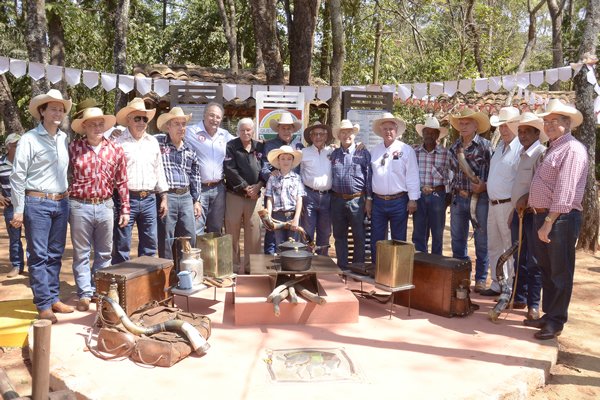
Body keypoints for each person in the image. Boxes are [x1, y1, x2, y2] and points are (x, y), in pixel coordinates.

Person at [526, 99, 589, 340]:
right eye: (546, 121)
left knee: (560, 272)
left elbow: (565, 191)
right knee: (547, 269)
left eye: (554, 121)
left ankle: (556, 321)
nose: (549, 125)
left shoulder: (571, 149)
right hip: (544, 216)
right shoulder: (554, 147)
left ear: (567, 123)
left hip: (559, 218)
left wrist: (549, 221)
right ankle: (549, 314)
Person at [10, 89, 73, 323]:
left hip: (61, 202)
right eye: (53, 109)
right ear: (42, 111)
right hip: (36, 202)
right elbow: (18, 176)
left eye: (61, 109)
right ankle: (44, 304)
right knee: (38, 255)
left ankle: (53, 298)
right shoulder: (29, 139)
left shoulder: (63, 138)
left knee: (55, 254)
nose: (58, 113)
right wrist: (18, 209)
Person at [69, 107, 129, 311]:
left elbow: (122, 181)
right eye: (92, 124)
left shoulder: (115, 149)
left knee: (104, 253)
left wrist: (125, 209)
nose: (97, 128)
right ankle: (85, 293)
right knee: (81, 253)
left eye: (100, 124)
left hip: (105, 205)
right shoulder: (73, 148)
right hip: (80, 205)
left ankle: (99, 290)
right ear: (84, 127)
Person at [112, 97, 169, 264]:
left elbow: (159, 170)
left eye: (145, 119)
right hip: (125, 199)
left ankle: (146, 279)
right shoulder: (117, 142)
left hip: (149, 199)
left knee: (150, 245)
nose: (142, 122)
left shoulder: (153, 142)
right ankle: (120, 279)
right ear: (128, 119)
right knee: (122, 244)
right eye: (137, 118)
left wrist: (164, 196)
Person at [507, 112, 547, 321]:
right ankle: (519, 297)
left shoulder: (541, 153)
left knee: (533, 260)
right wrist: (513, 210)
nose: (522, 135)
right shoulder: (522, 153)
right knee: (519, 257)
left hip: (533, 214)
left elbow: (542, 185)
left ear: (537, 133)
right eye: (520, 131)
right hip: (519, 213)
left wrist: (527, 199)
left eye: (527, 131)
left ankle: (533, 304)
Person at [479, 106, 522, 297]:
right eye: (502, 126)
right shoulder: (499, 149)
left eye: (508, 125)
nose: (504, 129)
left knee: (508, 246)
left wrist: (514, 207)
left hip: (508, 205)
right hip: (492, 204)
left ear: (516, 126)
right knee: (494, 245)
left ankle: (509, 287)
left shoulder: (520, 149)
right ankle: (497, 283)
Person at [448, 109, 492, 293]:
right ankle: (462, 277)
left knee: (481, 240)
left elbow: (492, 175)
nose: (463, 126)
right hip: (458, 198)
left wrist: (484, 186)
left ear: (476, 126)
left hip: (480, 200)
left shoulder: (485, 146)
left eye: (467, 123)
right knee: (457, 240)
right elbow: (451, 173)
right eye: (461, 123)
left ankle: (481, 279)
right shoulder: (454, 148)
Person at [370, 112, 420, 262]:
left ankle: (398, 270)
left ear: (396, 130)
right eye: (385, 129)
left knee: (399, 239)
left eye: (391, 129)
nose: (388, 132)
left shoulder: (406, 150)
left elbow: (412, 175)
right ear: (381, 131)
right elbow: (369, 176)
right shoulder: (374, 151)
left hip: (399, 201)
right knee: (377, 238)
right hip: (378, 202)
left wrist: (413, 199)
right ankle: (377, 267)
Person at [155, 107, 202, 260]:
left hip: (186, 196)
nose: (181, 128)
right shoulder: (157, 143)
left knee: (190, 235)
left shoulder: (190, 148)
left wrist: (197, 200)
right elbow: (140, 137)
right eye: (177, 124)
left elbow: (195, 175)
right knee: (166, 238)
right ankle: (168, 272)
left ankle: (187, 269)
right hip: (167, 196)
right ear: (168, 126)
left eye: (183, 124)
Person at [185, 102, 234, 235]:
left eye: (218, 117)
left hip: (219, 189)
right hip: (198, 189)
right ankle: (196, 250)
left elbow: (242, 141)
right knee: (196, 228)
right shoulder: (190, 132)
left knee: (216, 228)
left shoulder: (225, 135)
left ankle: (212, 250)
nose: (214, 119)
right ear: (204, 115)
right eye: (211, 115)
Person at [224, 118, 265, 274]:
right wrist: (245, 187)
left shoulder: (260, 146)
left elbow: (265, 168)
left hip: (255, 196)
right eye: (242, 130)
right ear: (238, 131)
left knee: (254, 232)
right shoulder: (231, 146)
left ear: (253, 131)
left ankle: (252, 268)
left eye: (248, 130)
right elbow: (229, 169)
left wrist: (258, 186)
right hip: (234, 195)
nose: (246, 132)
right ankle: (233, 268)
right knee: (232, 231)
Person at [330, 120, 372, 270]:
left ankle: (357, 268)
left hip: (357, 200)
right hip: (337, 200)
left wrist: (369, 199)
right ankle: (342, 267)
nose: (346, 135)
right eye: (343, 132)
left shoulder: (363, 153)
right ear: (339, 135)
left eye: (349, 132)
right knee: (339, 236)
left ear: (354, 135)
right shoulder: (334, 154)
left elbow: (369, 178)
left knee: (359, 235)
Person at [260, 112, 303, 254]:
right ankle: (269, 260)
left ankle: (291, 261)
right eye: (283, 128)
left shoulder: (299, 145)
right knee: (272, 234)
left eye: (289, 128)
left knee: (293, 237)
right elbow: (264, 168)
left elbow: (303, 167)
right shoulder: (270, 145)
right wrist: (271, 175)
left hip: (293, 197)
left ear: (293, 130)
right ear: (278, 129)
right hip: (275, 194)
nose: (286, 131)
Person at [412, 115, 450, 255]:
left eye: (433, 132)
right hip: (419, 196)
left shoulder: (445, 154)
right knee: (419, 233)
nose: (429, 135)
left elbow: (450, 177)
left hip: (437, 196)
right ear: (422, 134)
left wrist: (447, 198)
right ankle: (420, 262)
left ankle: (436, 263)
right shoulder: (414, 152)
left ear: (438, 135)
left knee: (437, 233)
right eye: (426, 132)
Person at [300, 122, 334, 255]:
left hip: (328, 197)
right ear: (311, 137)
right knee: (307, 232)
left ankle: (322, 261)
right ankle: (305, 260)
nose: (318, 137)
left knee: (325, 232)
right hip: (309, 195)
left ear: (326, 136)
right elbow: (298, 175)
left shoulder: (332, 152)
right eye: (315, 134)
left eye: (321, 134)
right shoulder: (303, 153)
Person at [265, 145, 305, 247]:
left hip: (292, 215)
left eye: (289, 159)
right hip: (277, 216)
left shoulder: (297, 178)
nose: (285, 161)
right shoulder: (272, 178)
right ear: (278, 161)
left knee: (293, 245)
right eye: (282, 158)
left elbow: (299, 199)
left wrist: (296, 218)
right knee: (280, 245)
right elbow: (269, 198)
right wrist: (269, 216)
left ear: (292, 161)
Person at [1, 133, 25, 278]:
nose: (19, 148)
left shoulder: (26, 162)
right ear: (8, 147)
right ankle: (17, 265)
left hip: (29, 205)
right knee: (14, 238)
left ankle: (35, 266)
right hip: (11, 207)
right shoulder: (0, 163)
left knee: (34, 237)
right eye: (16, 145)